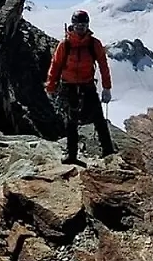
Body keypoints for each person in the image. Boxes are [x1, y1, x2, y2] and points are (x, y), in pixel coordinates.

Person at [45, 9, 115, 165]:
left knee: (98, 119)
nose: (80, 28)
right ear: (73, 25)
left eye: (83, 25)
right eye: (78, 25)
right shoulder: (65, 44)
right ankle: (72, 155)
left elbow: (103, 66)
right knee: (71, 121)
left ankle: (108, 151)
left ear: (87, 25)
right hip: (69, 86)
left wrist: (107, 88)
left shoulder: (93, 44)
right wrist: (51, 85)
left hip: (87, 85)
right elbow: (55, 65)